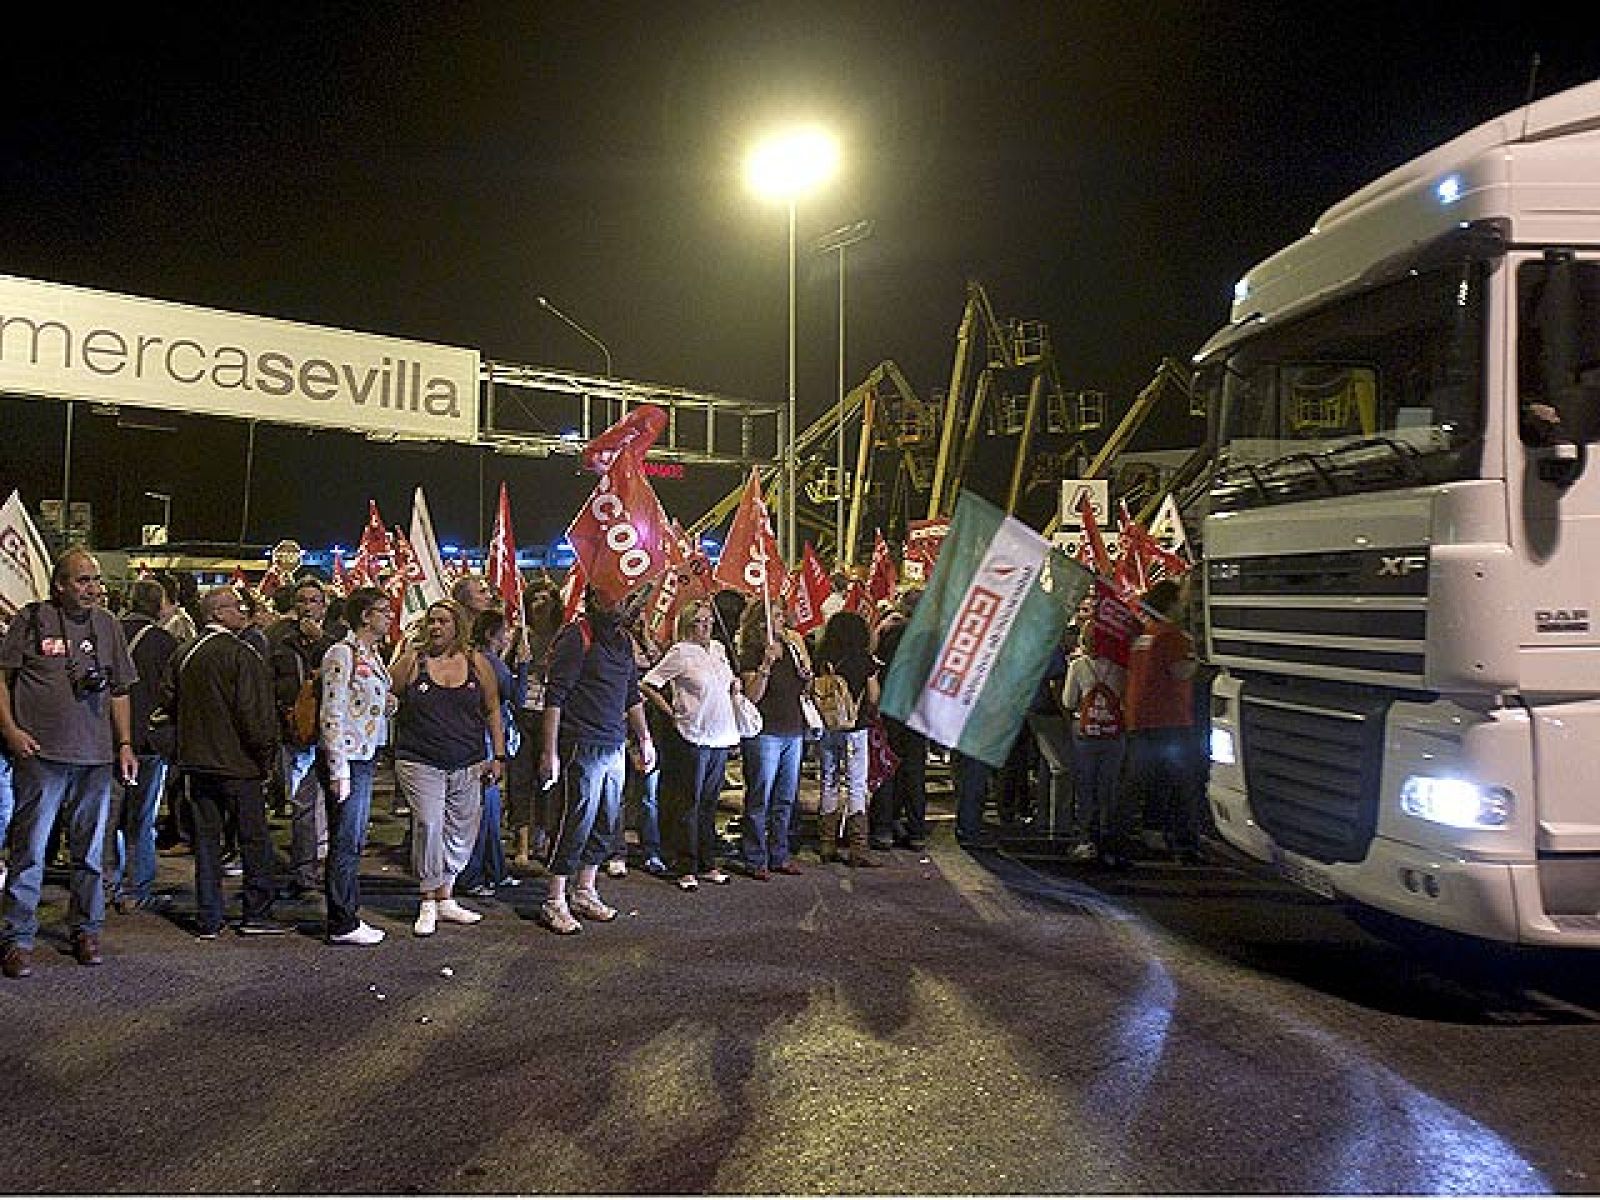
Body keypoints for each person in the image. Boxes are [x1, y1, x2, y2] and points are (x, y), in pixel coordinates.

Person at [0, 550, 139, 977]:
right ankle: (18, 938)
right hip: (41, 756)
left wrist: (125, 744)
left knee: (91, 853)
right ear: (59, 584)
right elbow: (2, 678)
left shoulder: (107, 625)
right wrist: (10, 731)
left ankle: (87, 929)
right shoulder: (32, 619)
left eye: (95, 580)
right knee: (31, 850)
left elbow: (119, 690)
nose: (93, 588)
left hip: (95, 757)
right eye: (82, 581)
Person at [164, 585, 290, 938]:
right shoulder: (241, 655)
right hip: (240, 765)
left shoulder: (185, 654)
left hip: (197, 762)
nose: (243, 612)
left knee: (207, 843)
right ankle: (257, 913)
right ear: (218, 612)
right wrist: (265, 759)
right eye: (237, 607)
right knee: (253, 840)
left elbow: (170, 702)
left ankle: (209, 918)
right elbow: (255, 716)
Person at [537, 585, 656, 934]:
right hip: (582, 744)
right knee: (575, 821)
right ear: (593, 600)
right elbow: (555, 696)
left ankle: (585, 889)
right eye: (614, 596)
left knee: (606, 821)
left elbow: (631, 694)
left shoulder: (622, 641)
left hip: (614, 745)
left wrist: (644, 737)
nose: (622, 603)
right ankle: (555, 898)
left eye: (625, 597)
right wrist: (550, 751)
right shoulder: (577, 637)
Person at [390, 600, 506, 936]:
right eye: (431, 621)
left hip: (468, 761)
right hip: (419, 759)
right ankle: (427, 899)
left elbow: (492, 708)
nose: (436, 627)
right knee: (429, 824)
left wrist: (497, 755)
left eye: (442, 621)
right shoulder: (413, 661)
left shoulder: (477, 663)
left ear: (458, 625)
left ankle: (446, 896)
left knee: (461, 830)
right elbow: (384, 693)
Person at [641, 598, 743, 891]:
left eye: (709, 620)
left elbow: (724, 682)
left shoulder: (718, 650)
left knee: (710, 803)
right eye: (700, 620)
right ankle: (685, 865)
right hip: (694, 735)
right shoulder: (680, 653)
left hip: (721, 735)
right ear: (688, 624)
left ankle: (707, 861)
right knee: (689, 801)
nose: (707, 625)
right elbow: (648, 683)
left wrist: (734, 685)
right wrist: (672, 712)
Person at [316, 586, 395, 946]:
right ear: (365, 616)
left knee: (353, 839)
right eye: (383, 610)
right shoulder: (341, 653)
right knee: (346, 841)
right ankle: (342, 920)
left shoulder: (370, 654)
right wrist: (338, 769)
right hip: (348, 759)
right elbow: (331, 713)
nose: (389, 616)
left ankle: (346, 913)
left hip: (364, 755)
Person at [105, 577, 179, 914]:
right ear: (159, 604)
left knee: (106, 817)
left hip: (107, 739)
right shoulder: (165, 642)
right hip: (147, 742)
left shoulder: (107, 632)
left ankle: (104, 885)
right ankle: (137, 889)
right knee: (141, 817)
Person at [1121, 577, 1201, 863]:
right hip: (1170, 719)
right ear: (1170, 604)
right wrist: (1200, 661)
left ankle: (1129, 836)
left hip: (1140, 719)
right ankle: (1186, 843)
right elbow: (1179, 672)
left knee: (1140, 781)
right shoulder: (1172, 636)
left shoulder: (1145, 635)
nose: (1185, 605)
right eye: (1181, 600)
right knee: (1181, 783)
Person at [268, 577, 339, 899]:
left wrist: (321, 641)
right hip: (296, 735)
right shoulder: (279, 640)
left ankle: (333, 868)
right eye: (302, 600)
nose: (307, 606)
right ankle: (304, 871)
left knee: (338, 804)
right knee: (302, 805)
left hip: (334, 736)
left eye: (313, 600)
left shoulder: (337, 639)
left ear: (324, 606)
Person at [735, 599, 808, 880]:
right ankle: (755, 857)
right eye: (777, 616)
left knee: (786, 798)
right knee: (760, 797)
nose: (783, 621)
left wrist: (805, 675)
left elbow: (801, 687)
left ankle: (780, 853)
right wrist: (766, 663)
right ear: (762, 622)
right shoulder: (752, 652)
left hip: (792, 729)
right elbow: (752, 696)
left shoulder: (790, 646)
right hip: (765, 733)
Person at [458, 607, 522, 899]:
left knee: (490, 812)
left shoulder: (479, 660)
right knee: (485, 813)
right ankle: (473, 875)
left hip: (481, 741)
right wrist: (522, 668)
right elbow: (514, 696)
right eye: (504, 630)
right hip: (485, 744)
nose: (508, 635)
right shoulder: (490, 664)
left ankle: (495, 871)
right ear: (491, 634)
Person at [812, 609, 882, 867]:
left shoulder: (822, 657)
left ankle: (826, 843)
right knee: (856, 784)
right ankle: (857, 847)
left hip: (829, 726)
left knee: (828, 780)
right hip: (855, 729)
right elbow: (873, 697)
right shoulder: (865, 661)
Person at [1061, 621, 1129, 867]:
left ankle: (1085, 839)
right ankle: (1109, 841)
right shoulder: (1120, 667)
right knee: (1109, 788)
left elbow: (1068, 701)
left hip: (1086, 735)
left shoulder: (1078, 666)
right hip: (1114, 735)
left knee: (1085, 788)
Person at [605, 613, 666, 878]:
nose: (643, 618)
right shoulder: (618, 643)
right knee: (616, 794)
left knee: (648, 793)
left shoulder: (653, 645)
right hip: (622, 724)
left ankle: (651, 850)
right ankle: (616, 852)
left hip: (649, 725)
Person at [507, 584, 562, 871]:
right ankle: (522, 843)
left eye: (547, 598)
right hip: (523, 712)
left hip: (551, 714)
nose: (541, 603)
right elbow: (503, 671)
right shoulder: (520, 634)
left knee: (549, 780)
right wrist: (519, 662)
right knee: (520, 779)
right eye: (536, 598)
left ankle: (546, 838)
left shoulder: (562, 637)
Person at [868, 588, 928, 852]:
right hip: (918, 710)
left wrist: (880, 630)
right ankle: (916, 830)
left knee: (888, 767)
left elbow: (875, 664)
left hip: (892, 708)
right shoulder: (932, 638)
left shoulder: (893, 634)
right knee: (914, 771)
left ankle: (884, 827)